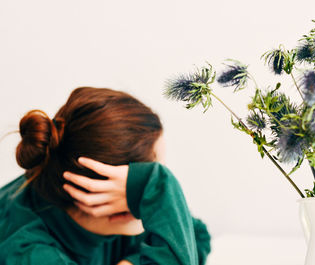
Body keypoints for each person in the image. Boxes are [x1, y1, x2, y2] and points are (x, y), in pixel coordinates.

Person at [0, 87, 211, 265]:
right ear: (99, 190)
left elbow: (198, 236)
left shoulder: (120, 223)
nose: (160, 196)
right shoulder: (27, 252)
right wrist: (151, 187)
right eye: (144, 179)